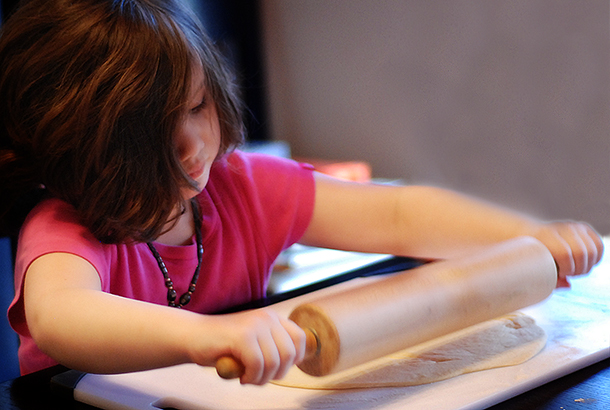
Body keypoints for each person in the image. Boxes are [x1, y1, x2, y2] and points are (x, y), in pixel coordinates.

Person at [0, 0, 603, 386]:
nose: (192, 144)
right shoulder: (62, 230)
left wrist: (525, 237)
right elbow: (63, 319)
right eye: (152, 133)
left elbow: (397, 212)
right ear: (75, 147)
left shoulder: (239, 190)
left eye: (197, 106)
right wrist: (208, 337)